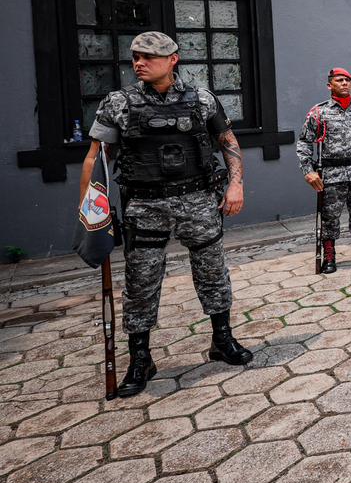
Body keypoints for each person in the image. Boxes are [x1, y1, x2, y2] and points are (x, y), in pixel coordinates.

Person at [79, 31, 252, 398]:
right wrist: (90, 208)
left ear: (173, 59)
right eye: (135, 58)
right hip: (145, 206)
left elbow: (228, 144)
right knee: (141, 284)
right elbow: (97, 158)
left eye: (148, 57)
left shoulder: (202, 99)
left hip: (198, 201)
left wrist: (236, 186)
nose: (139, 63)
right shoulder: (119, 103)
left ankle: (222, 339)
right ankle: (140, 357)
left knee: (212, 274)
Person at [298, 67, 351, 274]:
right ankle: (330, 254)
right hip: (331, 173)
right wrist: (308, 169)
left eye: (348, 80)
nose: (344, 83)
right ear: (329, 85)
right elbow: (304, 142)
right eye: (340, 80)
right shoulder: (319, 112)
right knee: (330, 216)